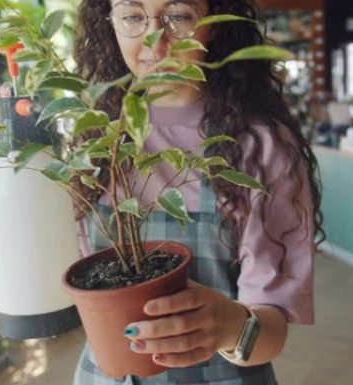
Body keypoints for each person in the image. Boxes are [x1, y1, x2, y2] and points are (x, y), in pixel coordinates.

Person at [72, 0, 324, 384]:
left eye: (178, 16)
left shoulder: (258, 147)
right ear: (109, 23)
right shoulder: (94, 137)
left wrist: (230, 327)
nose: (155, 43)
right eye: (132, 16)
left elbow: (270, 333)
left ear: (215, 25)